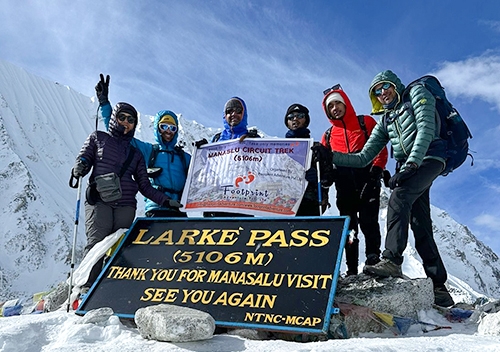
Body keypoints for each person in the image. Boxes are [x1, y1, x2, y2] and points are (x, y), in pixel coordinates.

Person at [328, 70, 454, 307]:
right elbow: (364, 156)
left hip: (430, 156)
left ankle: (392, 260)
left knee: (399, 198)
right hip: (410, 164)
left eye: (385, 86)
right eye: (377, 90)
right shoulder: (386, 120)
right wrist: (331, 156)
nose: (382, 92)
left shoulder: (416, 94)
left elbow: (426, 128)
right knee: (420, 222)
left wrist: (412, 164)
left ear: (395, 86)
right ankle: (439, 286)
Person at [70, 101, 182, 291]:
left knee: (120, 246)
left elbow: (145, 186)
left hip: (126, 205)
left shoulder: (136, 153)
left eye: (130, 120)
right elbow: (85, 157)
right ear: (114, 118)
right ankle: (86, 288)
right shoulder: (98, 138)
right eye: (122, 117)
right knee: (97, 243)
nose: (126, 122)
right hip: (99, 200)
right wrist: (80, 165)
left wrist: (166, 201)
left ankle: (112, 289)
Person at [96, 74, 191, 217]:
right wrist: (104, 103)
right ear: (157, 128)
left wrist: (202, 150)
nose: (168, 131)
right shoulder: (149, 151)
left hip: (179, 209)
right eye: (164, 126)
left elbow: (203, 173)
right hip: (155, 208)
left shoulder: (184, 157)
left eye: (172, 128)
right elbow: (118, 132)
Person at [319, 86, 388, 276]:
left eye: (337, 103)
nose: (335, 108)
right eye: (330, 106)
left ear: (346, 103)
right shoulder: (328, 135)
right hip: (344, 186)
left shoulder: (365, 122)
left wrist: (376, 172)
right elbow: (324, 164)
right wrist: (325, 185)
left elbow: (381, 148)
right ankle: (351, 269)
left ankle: (373, 258)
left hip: (368, 180)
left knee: (369, 222)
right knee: (349, 228)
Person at [195, 97, 259, 217]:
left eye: (238, 111)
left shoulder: (252, 139)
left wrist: (256, 144)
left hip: (242, 204)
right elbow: (205, 170)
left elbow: (263, 169)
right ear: (224, 115)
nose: (233, 114)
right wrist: (201, 152)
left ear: (244, 115)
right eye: (229, 111)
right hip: (216, 204)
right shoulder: (215, 139)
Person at [284, 103, 335, 216]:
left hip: (310, 203)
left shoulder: (317, 149)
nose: (295, 119)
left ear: (306, 120)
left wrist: (319, 178)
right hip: (284, 203)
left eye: (300, 116)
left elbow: (329, 178)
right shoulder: (279, 150)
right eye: (291, 117)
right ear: (287, 122)